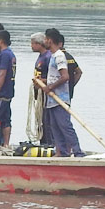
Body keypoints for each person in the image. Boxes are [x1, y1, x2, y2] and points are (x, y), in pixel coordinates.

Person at [36, 28, 83, 158]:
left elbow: (65, 76)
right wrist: (43, 81)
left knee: (65, 126)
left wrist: (50, 87)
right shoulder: (53, 56)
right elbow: (55, 76)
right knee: (54, 126)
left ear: (50, 40)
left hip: (60, 98)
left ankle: (78, 152)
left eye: (45, 39)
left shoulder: (59, 56)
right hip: (52, 99)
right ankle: (62, 152)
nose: (44, 41)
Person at [29, 31, 52, 144]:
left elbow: (53, 78)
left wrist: (42, 81)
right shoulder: (41, 57)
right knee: (40, 119)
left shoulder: (48, 57)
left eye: (33, 43)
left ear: (39, 44)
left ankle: (48, 142)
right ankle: (42, 141)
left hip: (46, 94)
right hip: (39, 94)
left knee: (46, 120)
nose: (31, 46)